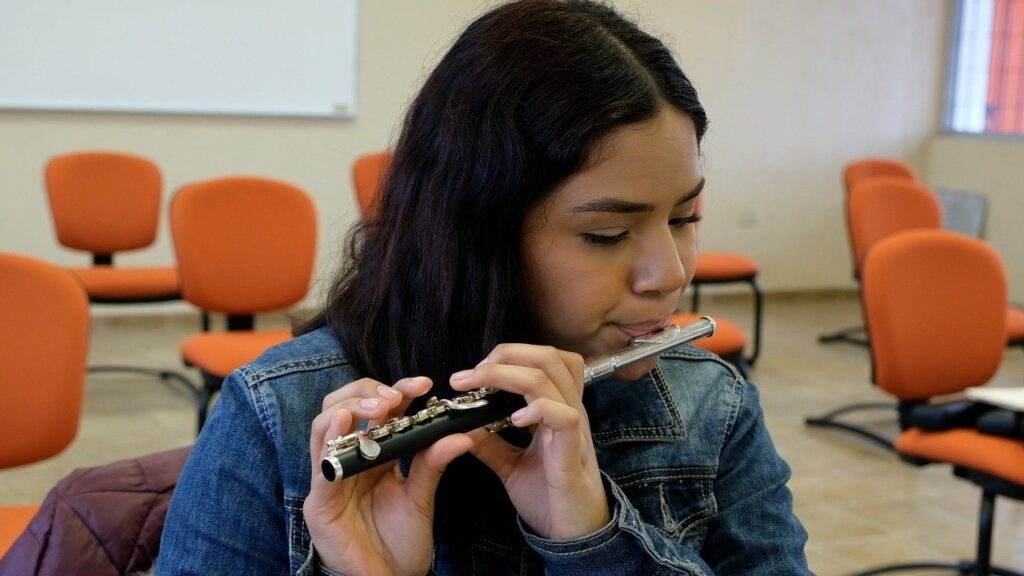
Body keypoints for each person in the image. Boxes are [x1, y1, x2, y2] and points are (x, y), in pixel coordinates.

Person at [157, 1, 810, 574]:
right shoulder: (282, 412)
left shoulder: (711, 407)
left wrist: (596, 542)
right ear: (476, 234)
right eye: (608, 234)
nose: (670, 273)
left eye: (684, 218)